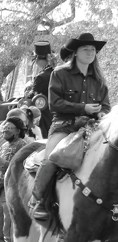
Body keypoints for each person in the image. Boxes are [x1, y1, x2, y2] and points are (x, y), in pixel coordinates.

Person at [32, 32, 110, 221]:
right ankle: (39, 201)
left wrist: (101, 113)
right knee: (52, 158)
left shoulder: (99, 79)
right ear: (75, 52)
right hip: (64, 126)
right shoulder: (60, 73)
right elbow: (54, 104)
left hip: (92, 127)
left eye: (93, 50)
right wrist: (83, 107)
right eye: (85, 49)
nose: (90, 52)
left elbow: (106, 106)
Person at [27, 41, 56, 138]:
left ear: (37, 60)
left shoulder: (42, 77)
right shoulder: (56, 73)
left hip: (44, 115)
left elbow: (32, 96)